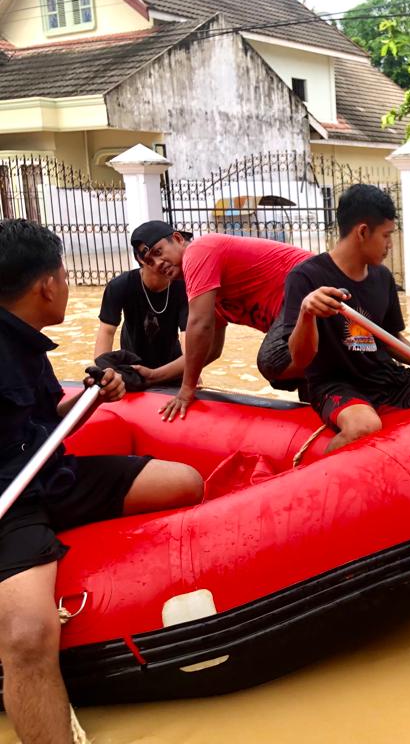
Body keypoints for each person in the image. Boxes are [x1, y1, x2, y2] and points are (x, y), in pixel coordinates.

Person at [0, 219, 203, 743]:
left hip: (50, 475)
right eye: (64, 274)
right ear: (47, 285)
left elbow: (44, 421)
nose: (68, 283)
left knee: (182, 482)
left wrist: (95, 396)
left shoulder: (24, 341)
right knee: (27, 637)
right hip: (10, 503)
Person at [281, 184, 410, 453]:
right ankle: (317, 478)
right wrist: (307, 313)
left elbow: (389, 339)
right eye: (386, 236)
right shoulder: (305, 277)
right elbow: (300, 358)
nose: (390, 245)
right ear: (363, 232)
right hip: (335, 383)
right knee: (363, 427)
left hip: (385, 378)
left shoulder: (382, 277)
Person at [130, 221, 314, 421]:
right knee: (289, 382)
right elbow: (209, 351)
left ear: (177, 239)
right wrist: (153, 376)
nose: (158, 264)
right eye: (149, 262)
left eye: (158, 252)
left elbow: (200, 324)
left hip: (313, 286)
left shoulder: (198, 251)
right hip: (305, 312)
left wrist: (186, 389)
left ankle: (337, 361)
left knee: (273, 360)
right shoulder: (211, 291)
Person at [94, 255, 188, 388]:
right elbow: (107, 332)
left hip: (172, 367)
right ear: (141, 258)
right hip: (132, 368)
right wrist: (103, 376)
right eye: (157, 252)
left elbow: (188, 335)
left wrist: (192, 374)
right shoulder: (120, 285)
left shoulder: (183, 287)